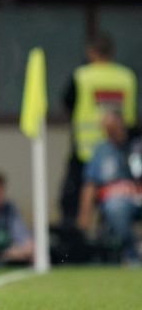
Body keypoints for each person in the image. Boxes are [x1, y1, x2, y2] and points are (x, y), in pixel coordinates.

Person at [60, 33, 137, 227]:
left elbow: (67, 104)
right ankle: (109, 242)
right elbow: (132, 115)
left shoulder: (82, 76)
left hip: (86, 151)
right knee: (114, 197)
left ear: (91, 52)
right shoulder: (127, 77)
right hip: (121, 150)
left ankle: (78, 242)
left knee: (74, 200)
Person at [77, 110, 142, 264]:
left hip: (138, 194)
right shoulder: (101, 151)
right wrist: (84, 216)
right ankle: (132, 255)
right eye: (106, 129)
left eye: (113, 127)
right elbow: (90, 184)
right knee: (116, 208)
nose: (110, 132)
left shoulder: (136, 145)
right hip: (116, 200)